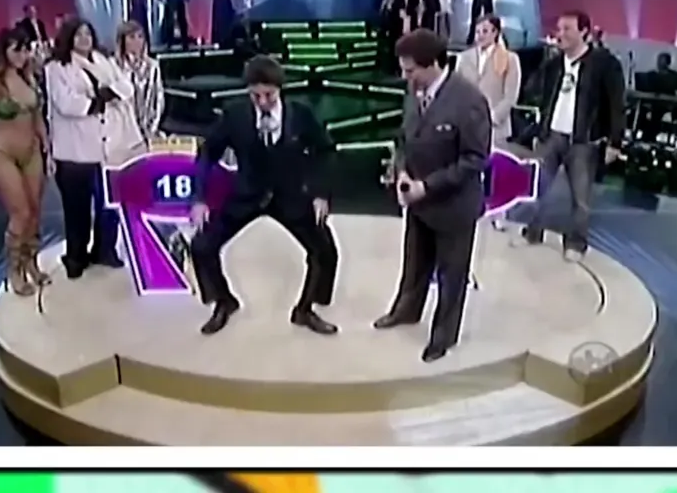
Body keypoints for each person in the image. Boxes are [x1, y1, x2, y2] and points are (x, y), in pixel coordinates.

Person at [188, 55, 340, 336]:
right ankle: (223, 300)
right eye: (255, 95)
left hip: (290, 194)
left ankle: (306, 308)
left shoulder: (300, 114)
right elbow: (207, 153)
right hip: (247, 193)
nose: (262, 102)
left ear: (280, 89)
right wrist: (199, 199)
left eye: (268, 95)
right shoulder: (234, 115)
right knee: (202, 246)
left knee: (324, 250)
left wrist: (320, 193)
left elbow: (325, 151)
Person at [376, 29, 491, 363]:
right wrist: (401, 172)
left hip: (454, 206)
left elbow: (475, 159)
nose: (405, 77)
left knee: (451, 275)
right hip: (417, 202)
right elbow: (404, 140)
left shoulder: (469, 101)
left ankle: (443, 336)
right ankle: (405, 311)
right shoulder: (414, 92)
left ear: (434, 64)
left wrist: (426, 186)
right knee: (414, 264)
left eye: (411, 70)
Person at [523, 11, 625, 258]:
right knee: (537, 187)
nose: (561, 34)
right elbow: (535, 93)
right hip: (552, 136)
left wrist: (615, 142)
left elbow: (616, 103)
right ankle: (532, 233)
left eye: (567, 29)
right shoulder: (554, 64)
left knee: (580, 198)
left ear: (584, 32)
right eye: (559, 29)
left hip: (583, 140)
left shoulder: (604, 63)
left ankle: (575, 244)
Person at [44, 19, 130, 278]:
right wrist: (101, 99)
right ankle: (76, 257)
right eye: (78, 34)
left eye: (88, 33)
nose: (84, 38)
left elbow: (126, 86)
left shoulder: (105, 61)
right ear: (68, 38)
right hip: (74, 152)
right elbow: (67, 104)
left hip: (108, 148)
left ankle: (105, 250)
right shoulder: (56, 68)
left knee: (109, 205)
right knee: (77, 210)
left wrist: (106, 94)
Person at [0, 27, 51, 296]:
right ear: (3, 50)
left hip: (32, 151)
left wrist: (47, 148)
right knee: (21, 213)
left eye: (26, 49)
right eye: (16, 49)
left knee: (35, 211)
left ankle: (32, 262)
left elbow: (38, 118)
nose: (22, 55)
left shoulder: (30, 79)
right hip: (2, 153)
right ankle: (14, 270)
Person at [455, 16, 523, 144]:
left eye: (485, 31)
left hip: (496, 129)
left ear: (495, 32)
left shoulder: (509, 59)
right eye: (477, 32)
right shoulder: (464, 58)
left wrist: (492, 117)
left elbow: (511, 96)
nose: (480, 35)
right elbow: (457, 90)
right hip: (467, 127)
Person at [115, 20, 166, 145]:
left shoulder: (152, 66)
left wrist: (151, 129)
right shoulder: (114, 66)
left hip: (147, 131)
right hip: (120, 132)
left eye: (140, 36)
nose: (137, 41)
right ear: (122, 41)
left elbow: (158, 100)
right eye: (131, 37)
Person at [378, 0, 408, 73]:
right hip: (385, 24)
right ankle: (386, 67)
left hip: (395, 24)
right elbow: (378, 5)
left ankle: (396, 68)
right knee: (386, 47)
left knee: (395, 46)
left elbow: (401, 5)